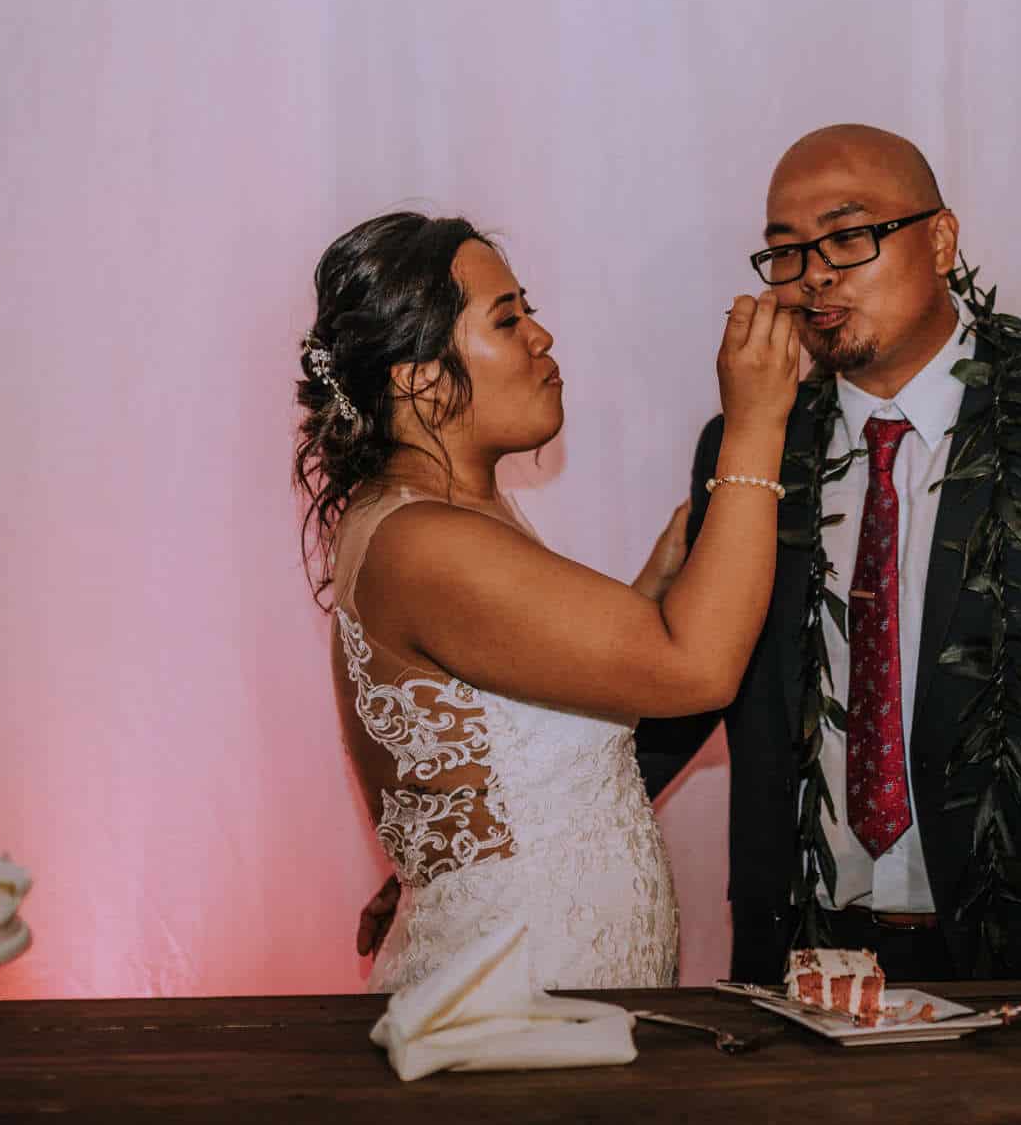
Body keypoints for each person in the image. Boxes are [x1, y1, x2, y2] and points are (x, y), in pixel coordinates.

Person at [635, 125, 1021, 982]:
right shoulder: (747, 444)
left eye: (849, 236)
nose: (815, 274)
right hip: (807, 963)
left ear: (940, 239)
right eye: (787, 251)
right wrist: (512, 825)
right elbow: (694, 680)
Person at [296, 210, 798, 990]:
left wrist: (652, 590)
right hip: (516, 999)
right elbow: (698, 669)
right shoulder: (426, 540)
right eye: (507, 319)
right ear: (419, 377)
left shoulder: (444, 513)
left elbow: (529, 719)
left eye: (528, 310)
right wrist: (756, 426)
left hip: (550, 988)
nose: (542, 336)